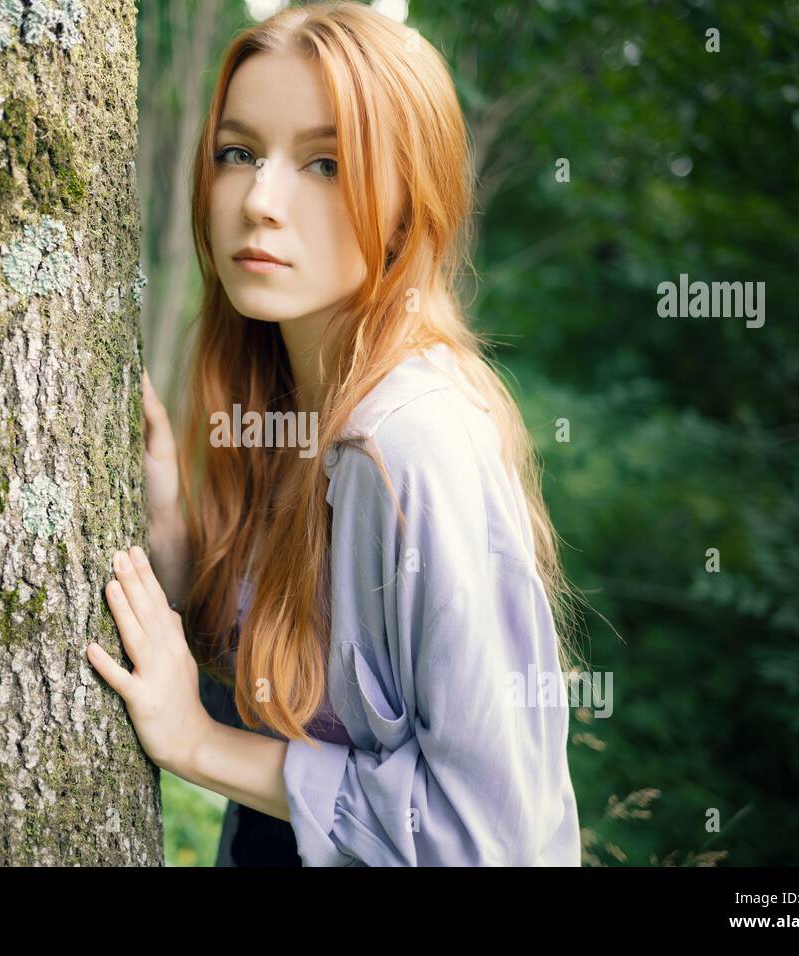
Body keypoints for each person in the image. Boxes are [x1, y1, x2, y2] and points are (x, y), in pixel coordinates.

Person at [85, 0, 585, 867]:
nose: (261, 202)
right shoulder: (290, 400)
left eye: (325, 163)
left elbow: (486, 839)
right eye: (238, 153)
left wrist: (200, 744)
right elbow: (305, 699)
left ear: (406, 203)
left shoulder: (406, 443)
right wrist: (173, 548)